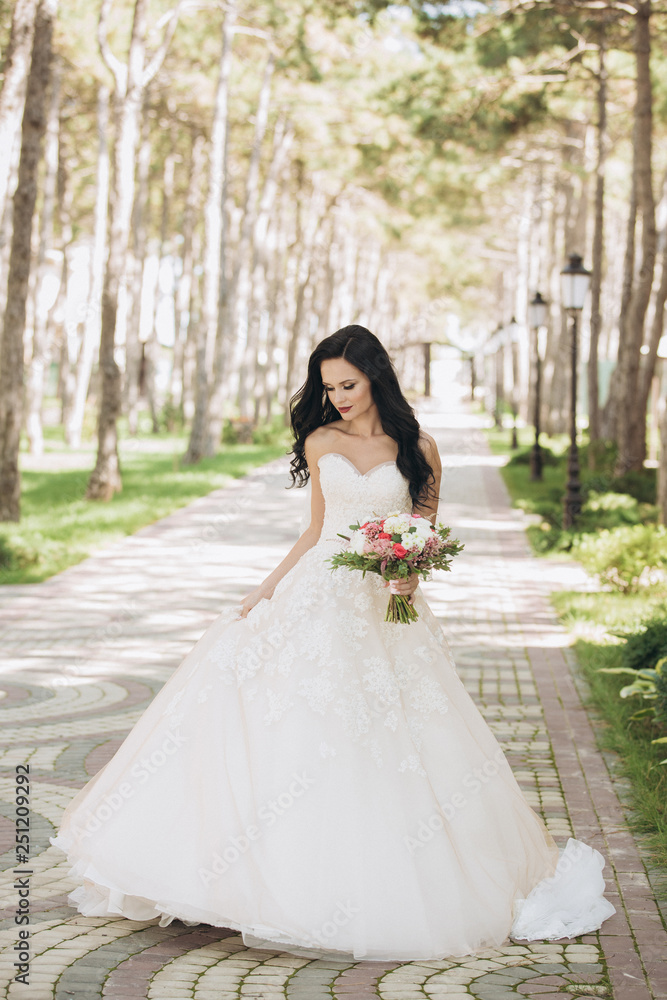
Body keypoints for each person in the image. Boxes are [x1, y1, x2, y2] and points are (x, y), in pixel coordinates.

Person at [51, 325, 615, 961]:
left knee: (397, 729)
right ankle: (252, 876)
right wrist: (265, 589)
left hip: (387, 602)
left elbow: (424, 528)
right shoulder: (321, 440)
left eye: (348, 384)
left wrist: (407, 572)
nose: (339, 397)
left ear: (375, 376)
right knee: (286, 719)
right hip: (319, 596)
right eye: (328, 387)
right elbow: (317, 530)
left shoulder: (419, 447)